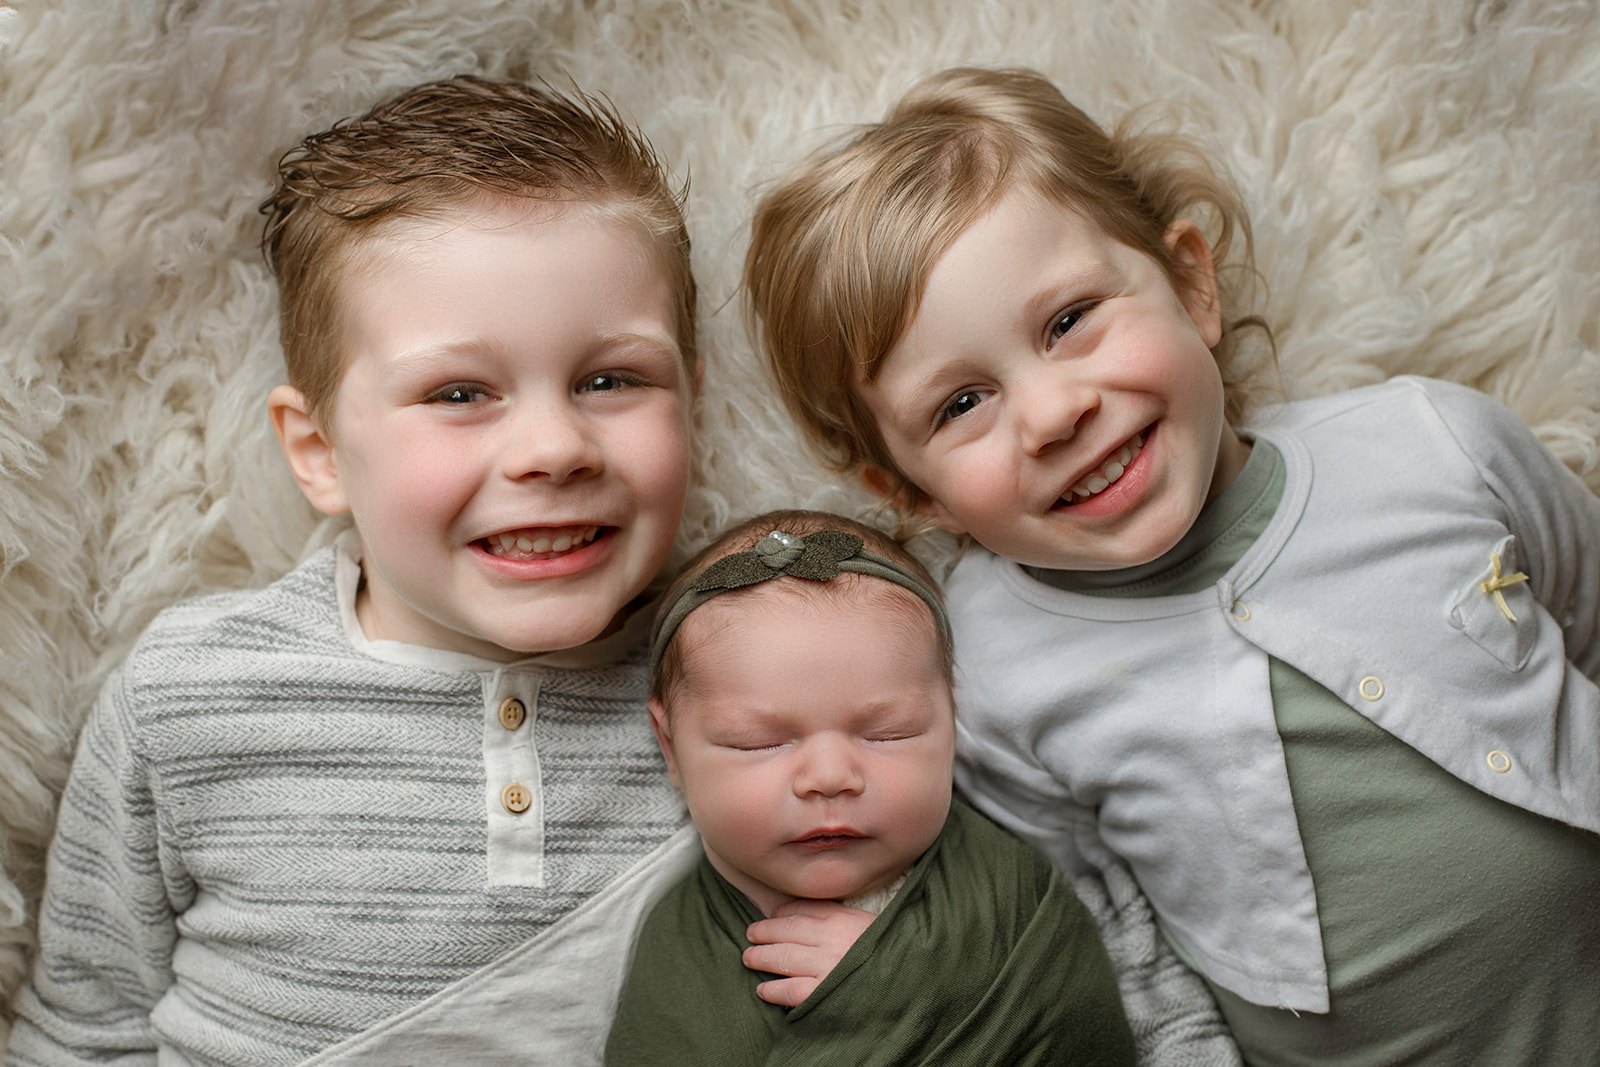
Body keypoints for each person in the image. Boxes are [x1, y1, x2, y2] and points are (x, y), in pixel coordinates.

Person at [742, 65, 1600, 1065]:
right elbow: (1096, 932)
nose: (1054, 412)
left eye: (1068, 322)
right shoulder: (986, 668)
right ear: (913, 494)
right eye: (960, 403)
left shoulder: (1429, 444)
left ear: (1191, 283)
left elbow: (1582, 613)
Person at [8, 75, 704, 1067]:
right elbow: (82, 1030)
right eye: (460, 391)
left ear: (694, 397)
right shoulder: (192, 695)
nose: (554, 446)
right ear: (320, 449)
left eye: (611, 379)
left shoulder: (744, 669)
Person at [605, 509, 1138, 1066]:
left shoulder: (1011, 895)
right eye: (758, 742)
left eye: (890, 733)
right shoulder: (678, 950)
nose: (830, 777)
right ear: (670, 747)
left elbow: (1082, 1030)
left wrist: (897, 987)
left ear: (952, 721)